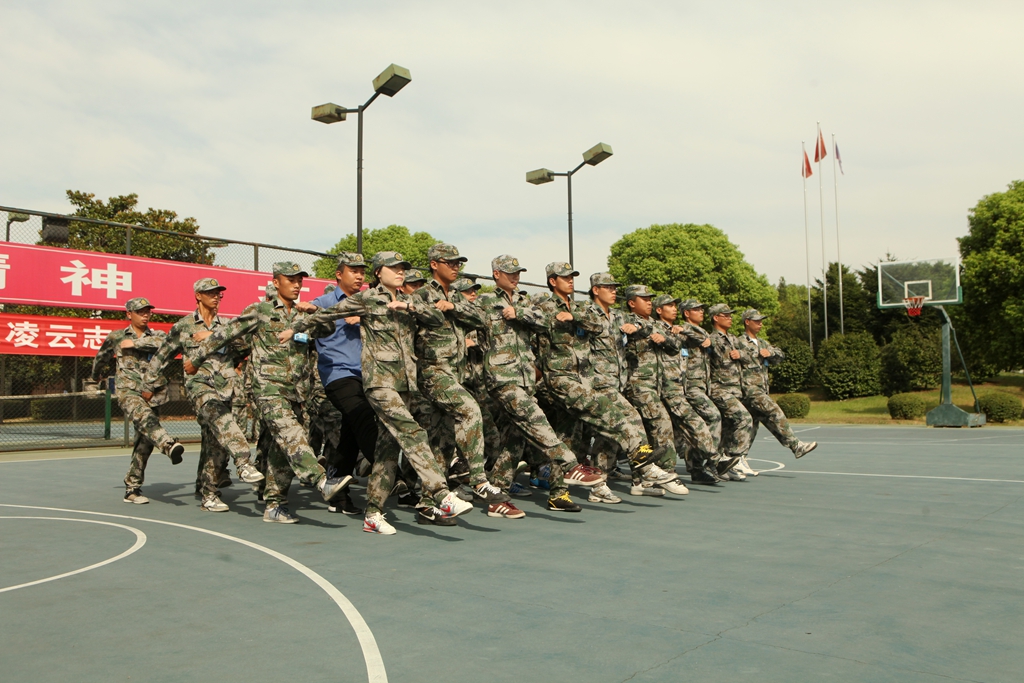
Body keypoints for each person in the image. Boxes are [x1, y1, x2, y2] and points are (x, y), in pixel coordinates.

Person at [288, 252, 473, 534]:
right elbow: (327, 314)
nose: (400, 272)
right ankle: (440, 492)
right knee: (412, 432)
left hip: (404, 383)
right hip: (379, 382)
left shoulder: (409, 301)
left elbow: (437, 318)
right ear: (379, 272)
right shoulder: (367, 298)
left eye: (403, 268)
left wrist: (409, 307)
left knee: (386, 451)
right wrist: (294, 328)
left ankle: (373, 514)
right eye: (394, 268)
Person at [187, 262, 353, 523]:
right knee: (292, 433)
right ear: (276, 282)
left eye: (299, 280)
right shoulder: (260, 311)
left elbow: (328, 330)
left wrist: (316, 312)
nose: (297, 285)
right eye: (291, 279)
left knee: (280, 448)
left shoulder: (301, 316)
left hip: (296, 391)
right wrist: (197, 359)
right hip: (268, 388)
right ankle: (321, 480)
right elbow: (226, 334)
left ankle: (275, 505)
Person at [476, 255, 602, 515]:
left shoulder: (524, 301)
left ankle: (497, 496)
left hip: (525, 379)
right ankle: (569, 465)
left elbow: (546, 321)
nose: (515, 277)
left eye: (518, 272)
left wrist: (519, 313)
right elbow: (467, 320)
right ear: (496, 274)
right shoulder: (486, 301)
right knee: (535, 419)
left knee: (515, 440)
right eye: (510, 273)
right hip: (501, 378)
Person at [144, 278, 264, 513]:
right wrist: (148, 384)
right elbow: (162, 355)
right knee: (222, 421)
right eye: (210, 293)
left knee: (215, 443)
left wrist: (212, 337)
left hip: (227, 389)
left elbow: (243, 347)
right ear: (198, 295)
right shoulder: (184, 326)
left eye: (219, 293)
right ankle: (243, 462)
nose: (216, 296)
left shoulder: (226, 325)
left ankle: (208, 493)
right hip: (200, 387)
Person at [411, 243, 508, 510]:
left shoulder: (455, 295)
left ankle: (428, 502)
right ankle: (478, 479)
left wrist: (453, 306)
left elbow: (481, 319)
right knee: (470, 410)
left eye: (458, 263)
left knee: (442, 442)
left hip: (454, 374)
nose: (456, 267)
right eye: (450, 262)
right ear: (434, 264)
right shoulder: (421, 294)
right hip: (432, 371)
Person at [91, 297, 184, 504]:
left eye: (147, 311)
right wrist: (96, 375)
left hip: (153, 394)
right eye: (140, 311)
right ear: (129, 314)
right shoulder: (117, 337)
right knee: (144, 417)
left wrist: (136, 343)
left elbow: (168, 345)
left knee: (144, 444)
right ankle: (167, 444)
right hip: (128, 392)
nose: (145, 315)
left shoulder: (157, 335)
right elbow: (101, 357)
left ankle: (132, 488)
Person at [311, 252, 378, 516]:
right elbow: (301, 328)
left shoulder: (368, 303)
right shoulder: (323, 304)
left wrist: (364, 319)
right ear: (339, 274)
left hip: (368, 376)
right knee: (363, 418)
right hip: (338, 375)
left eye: (362, 271)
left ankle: (338, 494)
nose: (359, 276)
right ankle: (388, 471)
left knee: (350, 435)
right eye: (353, 271)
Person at [652, 294, 733, 485]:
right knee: (691, 424)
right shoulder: (660, 328)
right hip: (669, 387)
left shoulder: (681, 330)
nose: (674, 309)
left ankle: (697, 467)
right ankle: (711, 461)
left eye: (675, 306)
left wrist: (687, 331)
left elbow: (710, 341)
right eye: (670, 306)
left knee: (679, 431)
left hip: (680, 386)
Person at [736, 309, 817, 461]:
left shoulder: (762, 343)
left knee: (750, 428)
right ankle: (796, 445)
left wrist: (770, 353)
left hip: (762, 390)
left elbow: (780, 355)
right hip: (749, 390)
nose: (760, 324)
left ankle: (736, 459)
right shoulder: (738, 342)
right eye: (756, 321)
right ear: (747, 322)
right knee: (774, 411)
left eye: (761, 320)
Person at [677, 299, 727, 483]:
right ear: (686, 313)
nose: (701, 312)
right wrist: (700, 338)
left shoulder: (704, 332)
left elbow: (719, 351)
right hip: (690, 385)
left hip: (703, 385)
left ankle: (697, 467)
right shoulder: (682, 329)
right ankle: (711, 460)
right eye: (696, 309)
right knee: (713, 416)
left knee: (694, 429)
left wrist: (708, 341)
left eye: (701, 309)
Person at [706, 304, 754, 481]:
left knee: (727, 430)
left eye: (730, 315)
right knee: (744, 418)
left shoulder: (734, 339)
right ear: (715, 318)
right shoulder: (712, 339)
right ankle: (736, 456)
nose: (730, 318)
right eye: (725, 315)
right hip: (720, 389)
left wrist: (741, 354)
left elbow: (751, 356)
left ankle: (722, 466)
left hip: (735, 390)